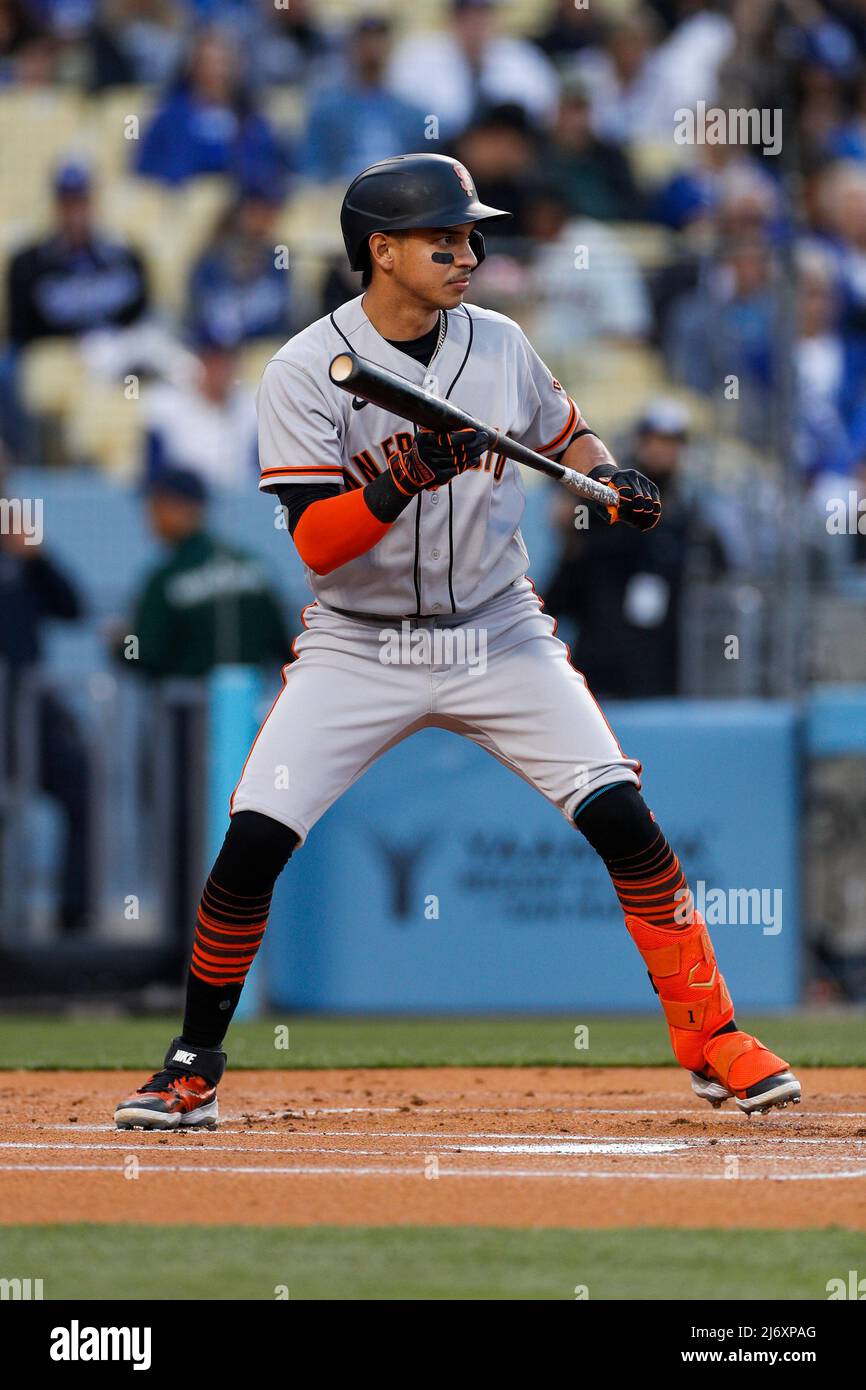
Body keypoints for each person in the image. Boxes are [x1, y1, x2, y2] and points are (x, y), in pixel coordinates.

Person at [115, 151, 801, 1131]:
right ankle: (192, 1061)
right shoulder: (307, 368)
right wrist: (403, 477)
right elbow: (316, 540)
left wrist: (611, 481)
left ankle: (711, 1038)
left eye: (471, 233)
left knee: (622, 820)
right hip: (359, 642)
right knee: (253, 846)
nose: (467, 250)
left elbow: (566, 435)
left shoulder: (499, 342)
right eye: (444, 236)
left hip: (497, 629)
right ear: (380, 250)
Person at [118, 466, 293, 944]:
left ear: (181, 507)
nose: (149, 518)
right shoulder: (252, 565)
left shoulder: (169, 576)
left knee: (180, 835)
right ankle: (251, 946)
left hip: (182, 728)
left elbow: (143, 654)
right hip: (252, 732)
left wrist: (119, 642)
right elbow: (286, 647)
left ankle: (183, 945)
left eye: (156, 507)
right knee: (250, 833)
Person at [544, 399, 728, 697]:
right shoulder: (599, 510)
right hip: (602, 665)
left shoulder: (693, 524)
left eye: (670, 442)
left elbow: (718, 577)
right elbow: (564, 591)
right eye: (653, 440)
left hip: (664, 674)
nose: (660, 450)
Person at [0, 450, 91, 934]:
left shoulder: (22, 546)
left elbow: (73, 607)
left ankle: (72, 921)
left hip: (27, 703)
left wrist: (37, 557)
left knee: (82, 782)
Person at [6, 161, 148, 348]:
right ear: (55, 206)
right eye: (67, 203)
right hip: (54, 362)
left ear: (95, 203)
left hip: (116, 358)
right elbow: (20, 336)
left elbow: (141, 322)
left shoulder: (127, 259)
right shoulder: (27, 266)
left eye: (82, 202)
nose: (75, 214)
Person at [134, 26, 287, 187]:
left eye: (224, 63)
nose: (217, 73)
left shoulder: (251, 117)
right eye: (208, 64)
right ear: (193, 67)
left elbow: (272, 166)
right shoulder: (170, 118)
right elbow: (145, 169)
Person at [298, 15, 424, 183]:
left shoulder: (413, 114)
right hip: (341, 197)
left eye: (379, 41)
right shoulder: (326, 111)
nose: (372, 49)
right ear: (352, 49)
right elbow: (311, 169)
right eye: (365, 41)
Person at [142, 330, 258, 491]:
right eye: (212, 359)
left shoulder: (254, 404)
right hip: (183, 501)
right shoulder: (164, 404)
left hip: (242, 503)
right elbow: (153, 473)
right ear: (200, 360)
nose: (220, 368)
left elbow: (260, 471)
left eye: (227, 359)